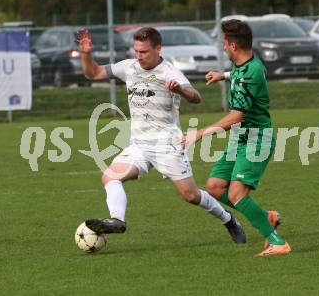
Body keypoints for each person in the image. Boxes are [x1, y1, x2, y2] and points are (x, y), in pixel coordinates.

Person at [75, 27, 246, 244]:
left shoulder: (169, 72)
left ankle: (229, 220)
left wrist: (180, 91)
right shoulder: (128, 67)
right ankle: (117, 220)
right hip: (139, 145)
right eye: (136, 51)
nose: (139, 56)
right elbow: (93, 73)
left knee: (191, 195)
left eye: (144, 52)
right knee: (110, 177)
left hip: (167, 144)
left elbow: (196, 97)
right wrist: (86, 54)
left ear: (158, 48)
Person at [184, 19, 291, 257]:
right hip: (241, 140)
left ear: (233, 46)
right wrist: (222, 75)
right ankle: (266, 217)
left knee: (235, 194)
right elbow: (240, 73)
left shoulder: (247, 76)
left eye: (224, 44)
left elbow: (235, 118)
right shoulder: (250, 64)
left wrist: (200, 133)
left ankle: (277, 242)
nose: (223, 48)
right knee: (215, 187)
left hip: (256, 140)